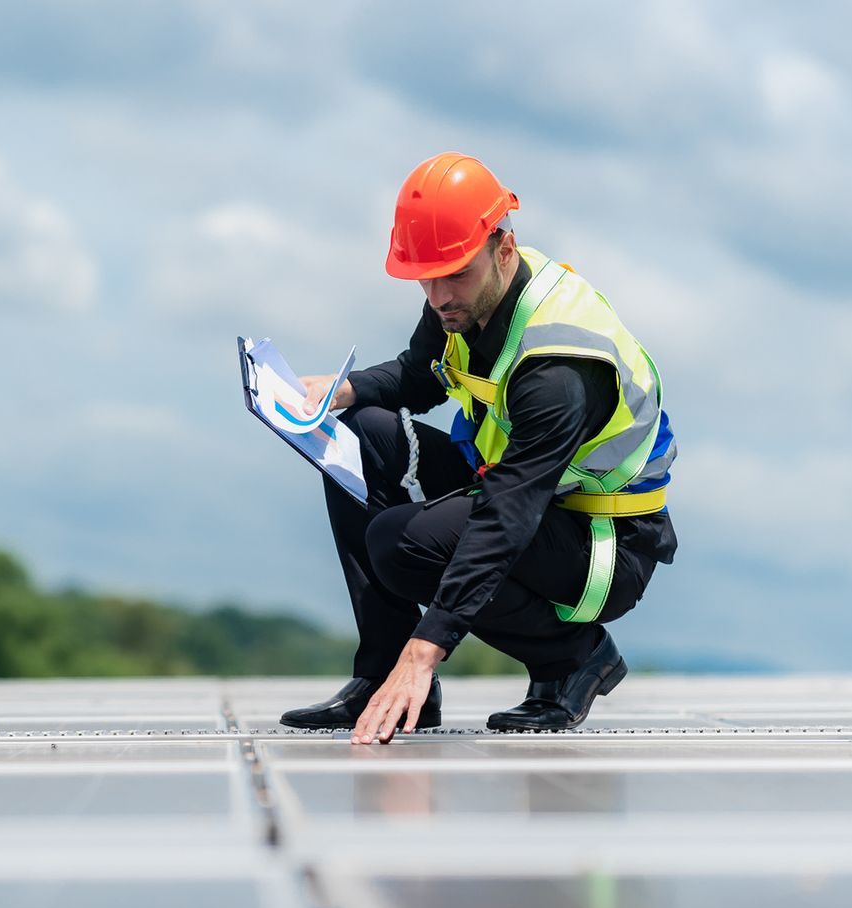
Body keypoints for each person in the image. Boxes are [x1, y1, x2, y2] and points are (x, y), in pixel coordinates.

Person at [280, 152, 677, 743]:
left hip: (600, 544)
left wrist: (426, 651)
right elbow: (422, 373)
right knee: (359, 433)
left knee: (400, 544)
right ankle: (380, 673)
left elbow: (506, 515)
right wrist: (339, 392)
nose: (439, 296)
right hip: (524, 499)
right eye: (426, 277)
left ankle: (572, 658)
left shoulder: (558, 368)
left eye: (454, 274)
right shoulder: (465, 294)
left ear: (504, 250)